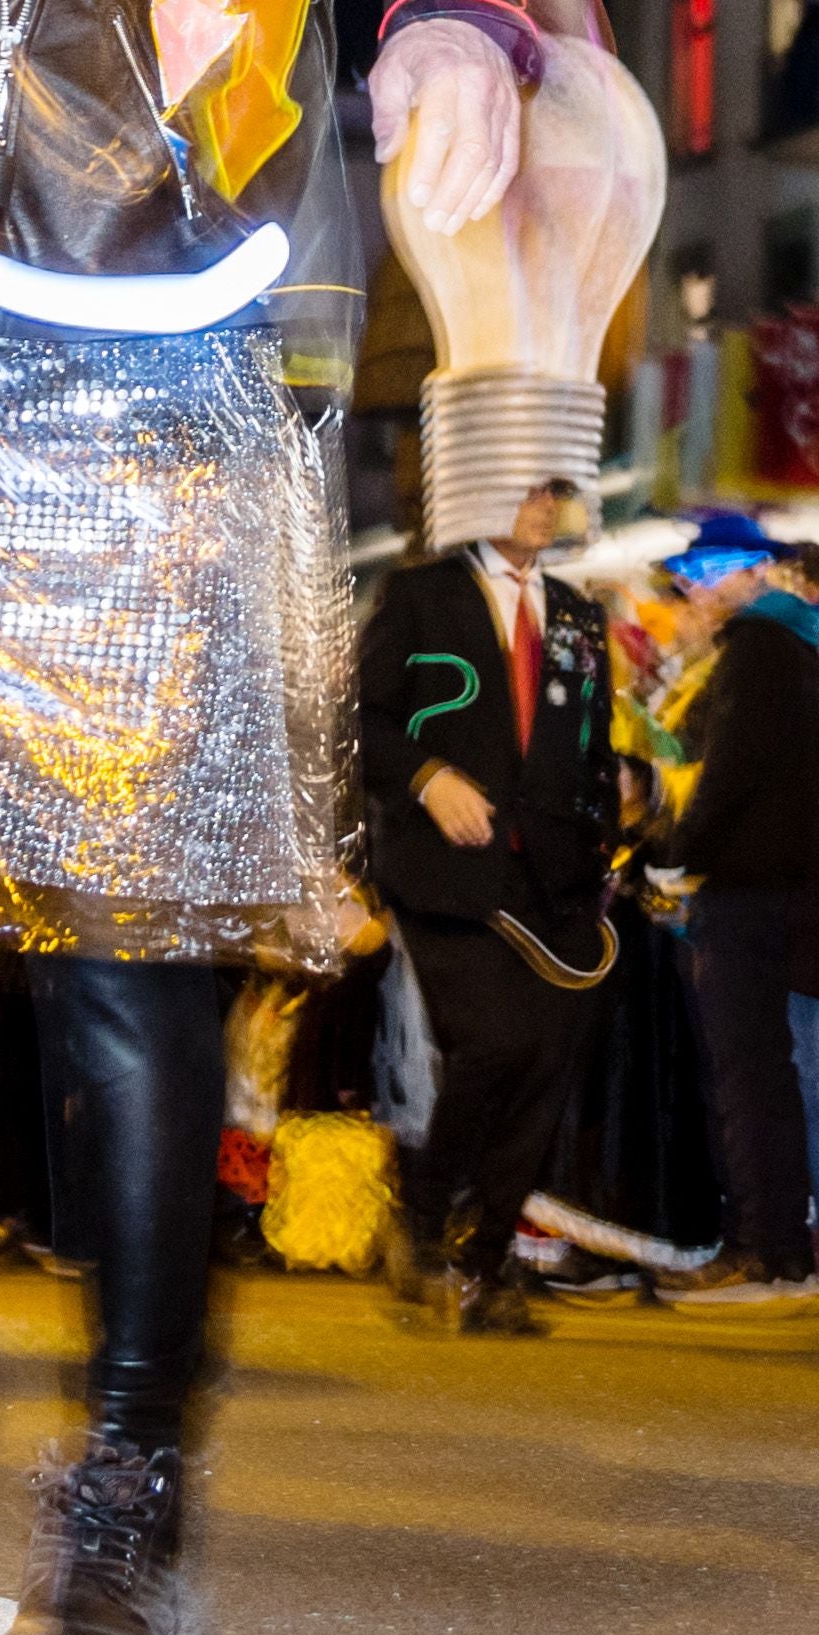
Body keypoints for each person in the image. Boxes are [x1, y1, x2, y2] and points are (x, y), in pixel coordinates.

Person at [354, 473, 621, 1334]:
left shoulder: (579, 613)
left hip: (554, 878)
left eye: (554, 492)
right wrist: (427, 779)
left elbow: (593, 741)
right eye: (524, 489)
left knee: (544, 1065)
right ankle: (425, 1216)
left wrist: (612, 829)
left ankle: (484, 1261)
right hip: (446, 872)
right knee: (494, 1042)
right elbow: (360, 718)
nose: (542, 508)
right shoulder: (420, 593)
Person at [641, 513, 819, 1304]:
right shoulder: (796, 644)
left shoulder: (756, 648)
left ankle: (760, 1248)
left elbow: (730, 773)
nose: (692, 590)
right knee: (765, 1067)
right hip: (778, 881)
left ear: (745, 570)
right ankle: (777, 1247)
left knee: (747, 1071)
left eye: (702, 572)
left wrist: (675, 851)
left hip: (742, 885)